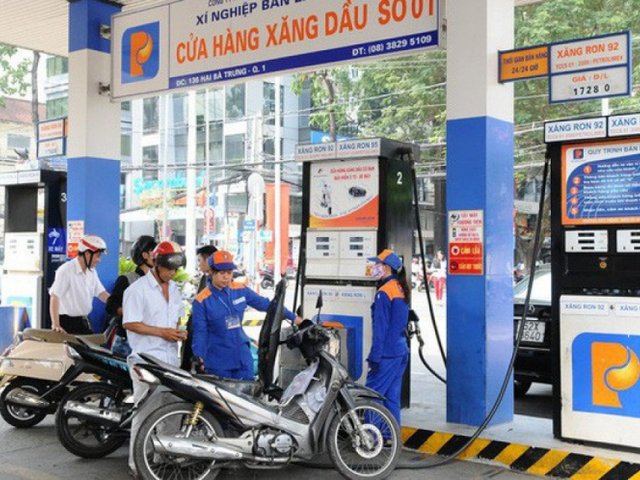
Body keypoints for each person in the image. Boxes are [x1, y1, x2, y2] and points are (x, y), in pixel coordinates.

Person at [123, 240, 188, 477]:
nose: (172, 273)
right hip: (146, 360)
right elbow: (130, 323)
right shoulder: (137, 290)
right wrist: (163, 332)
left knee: (172, 410)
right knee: (145, 412)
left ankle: (164, 457)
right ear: (157, 264)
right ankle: (137, 464)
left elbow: (176, 320)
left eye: (175, 269)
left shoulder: (176, 290)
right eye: (169, 269)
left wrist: (178, 332)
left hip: (171, 360)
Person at [192, 250, 301, 380]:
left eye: (229, 273)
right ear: (211, 272)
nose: (226, 277)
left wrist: (294, 318)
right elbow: (200, 332)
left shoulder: (240, 290)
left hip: (242, 357)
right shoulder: (201, 300)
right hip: (218, 361)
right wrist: (199, 357)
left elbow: (269, 305)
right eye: (222, 273)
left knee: (248, 390)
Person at [365, 248, 410, 425]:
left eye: (377, 263)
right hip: (400, 351)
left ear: (386, 267)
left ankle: (371, 437)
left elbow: (381, 329)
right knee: (391, 398)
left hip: (387, 354)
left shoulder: (384, 293)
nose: (374, 266)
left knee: (371, 396)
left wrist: (375, 357)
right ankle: (391, 435)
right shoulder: (399, 288)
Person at [105, 235, 157, 356]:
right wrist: (132, 314)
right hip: (126, 342)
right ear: (145, 255)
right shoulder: (127, 279)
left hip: (149, 342)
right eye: (154, 252)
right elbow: (111, 305)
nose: (157, 256)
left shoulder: (159, 282)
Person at [49, 234, 110, 334]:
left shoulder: (91, 272)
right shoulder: (66, 270)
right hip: (67, 324)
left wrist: (116, 304)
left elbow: (101, 293)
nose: (99, 260)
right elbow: (55, 296)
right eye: (98, 256)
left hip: (83, 322)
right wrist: (56, 324)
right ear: (87, 253)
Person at [179, 244, 217, 370]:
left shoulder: (217, 281)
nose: (199, 264)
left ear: (208, 259)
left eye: (200, 260)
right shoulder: (204, 278)